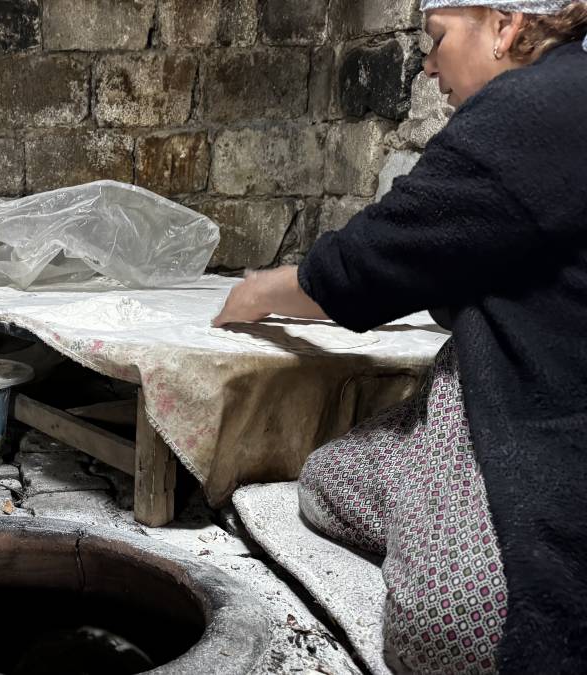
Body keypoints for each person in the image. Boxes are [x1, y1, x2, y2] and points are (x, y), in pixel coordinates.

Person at [212, 2, 587, 672]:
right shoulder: (567, 93)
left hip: (547, 417)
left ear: (504, 27)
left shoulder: (529, 110)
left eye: (439, 40)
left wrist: (259, 291)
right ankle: (427, 494)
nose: (429, 65)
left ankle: (439, 508)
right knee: (327, 477)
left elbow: (371, 263)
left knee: (447, 623)